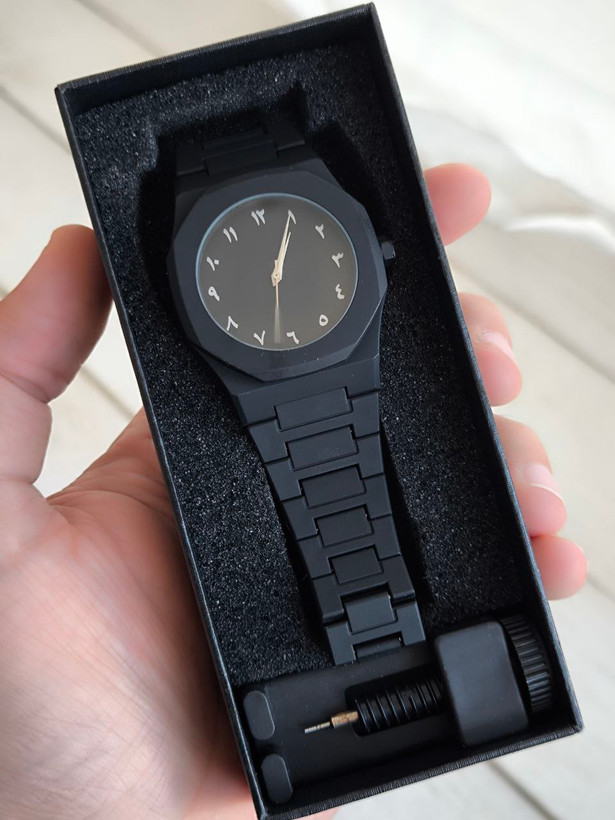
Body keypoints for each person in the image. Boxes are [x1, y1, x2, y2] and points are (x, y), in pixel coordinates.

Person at [0, 164, 586, 819]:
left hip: (326, 370)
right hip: (276, 384)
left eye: (279, 267)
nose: (275, 276)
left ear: (375, 255)